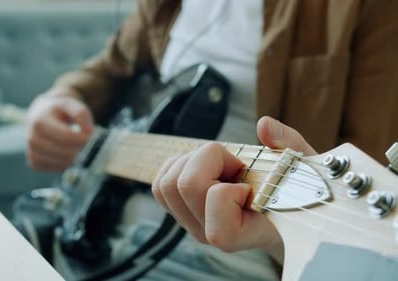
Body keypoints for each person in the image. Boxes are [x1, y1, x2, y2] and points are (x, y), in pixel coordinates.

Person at [26, 0, 398, 279]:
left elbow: (355, 217)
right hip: (96, 221)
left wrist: (272, 236)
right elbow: (110, 65)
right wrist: (59, 98)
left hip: (222, 259)